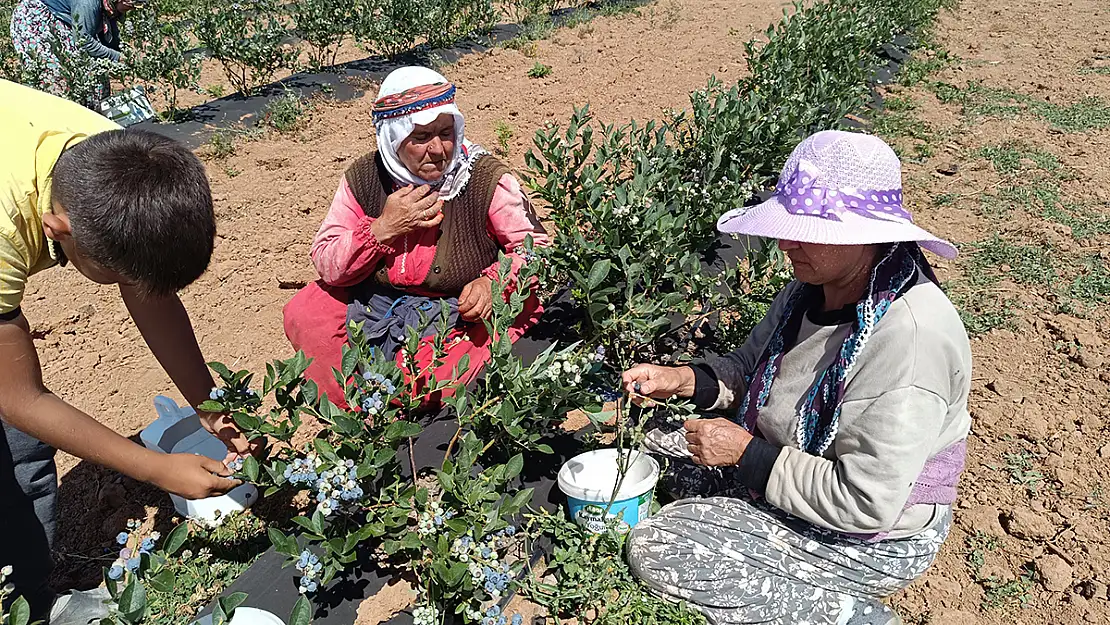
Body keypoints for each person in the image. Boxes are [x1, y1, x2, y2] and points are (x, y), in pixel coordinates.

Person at [620, 130, 971, 625]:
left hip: (878, 533)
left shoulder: (909, 338)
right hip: (804, 463)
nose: (786, 241)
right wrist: (680, 380)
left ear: (862, 236)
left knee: (662, 544)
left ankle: (852, 616)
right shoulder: (814, 287)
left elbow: (866, 501)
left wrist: (746, 455)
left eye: (806, 230)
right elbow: (750, 371)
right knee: (652, 446)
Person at [0, 79, 250, 620]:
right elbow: (18, 397)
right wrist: (154, 469)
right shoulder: (3, 226)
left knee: (24, 458)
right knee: (15, 447)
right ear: (56, 229)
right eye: (115, 274)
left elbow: (148, 292)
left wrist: (208, 402)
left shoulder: (115, 164)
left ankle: (32, 592)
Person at [283, 66, 550, 406]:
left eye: (445, 133)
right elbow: (328, 262)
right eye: (421, 137)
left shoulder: (483, 179)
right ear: (393, 138)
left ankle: (402, 411)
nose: (438, 149)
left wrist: (492, 284)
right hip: (378, 303)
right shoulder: (366, 177)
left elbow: (535, 249)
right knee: (308, 313)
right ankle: (360, 416)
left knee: (438, 378)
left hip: (456, 313)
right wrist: (382, 229)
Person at [9, 0, 140, 108]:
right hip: (37, 21)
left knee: (96, 76)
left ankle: (94, 115)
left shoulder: (111, 7)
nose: (134, 8)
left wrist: (127, 57)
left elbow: (110, 40)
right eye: (133, 4)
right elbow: (84, 42)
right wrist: (118, 58)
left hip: (67, 23)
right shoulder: (87, 3)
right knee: (61, 75)